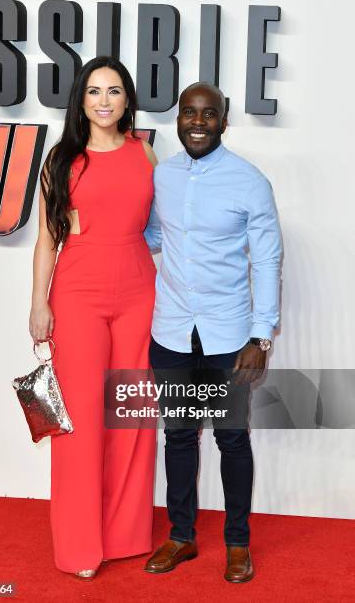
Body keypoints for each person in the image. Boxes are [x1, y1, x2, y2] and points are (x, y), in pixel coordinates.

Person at [143, 82, 282, 582]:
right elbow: (155, 235)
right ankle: (181, 536)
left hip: (230, 338)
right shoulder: (163, 176)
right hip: (172, 330)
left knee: (231, 440)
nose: (197, 122)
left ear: (224, 122)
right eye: (189, 113)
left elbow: (267, 262)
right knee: (178, 438)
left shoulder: (249, 182)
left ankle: (238, 543)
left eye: (209, 114)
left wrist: (260, 337)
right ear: (177, 120)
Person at [29, 56, 158, 580]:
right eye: (94, 92)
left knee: (131, 412)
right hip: (77, 291)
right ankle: (81, 548)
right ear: (80, 101)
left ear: (127, 100)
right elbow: (46, 238)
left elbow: (162, 226)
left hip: (138, 289)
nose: (104, 101)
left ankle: (125, 536)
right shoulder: (61, 159)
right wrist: (39, 302)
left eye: (114, 91)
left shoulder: (145, 151)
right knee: (79, 423)